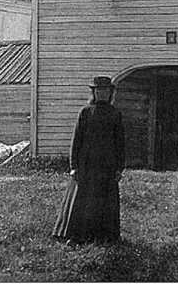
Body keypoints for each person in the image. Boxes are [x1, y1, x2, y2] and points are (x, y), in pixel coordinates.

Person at [52, 76, 126, 245]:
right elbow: (76, 141)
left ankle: (104, 237)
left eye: (105, 91)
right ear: (94, 93)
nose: (102, 94)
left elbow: (120, 143)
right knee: (82, 200)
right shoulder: (85, 112)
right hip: (86, 166)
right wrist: (73, 166)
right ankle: (75, 236)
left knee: (105, 202)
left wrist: (119, 168)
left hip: (107, 167)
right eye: (99, 91)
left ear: (110, 93)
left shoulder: (115, 114)